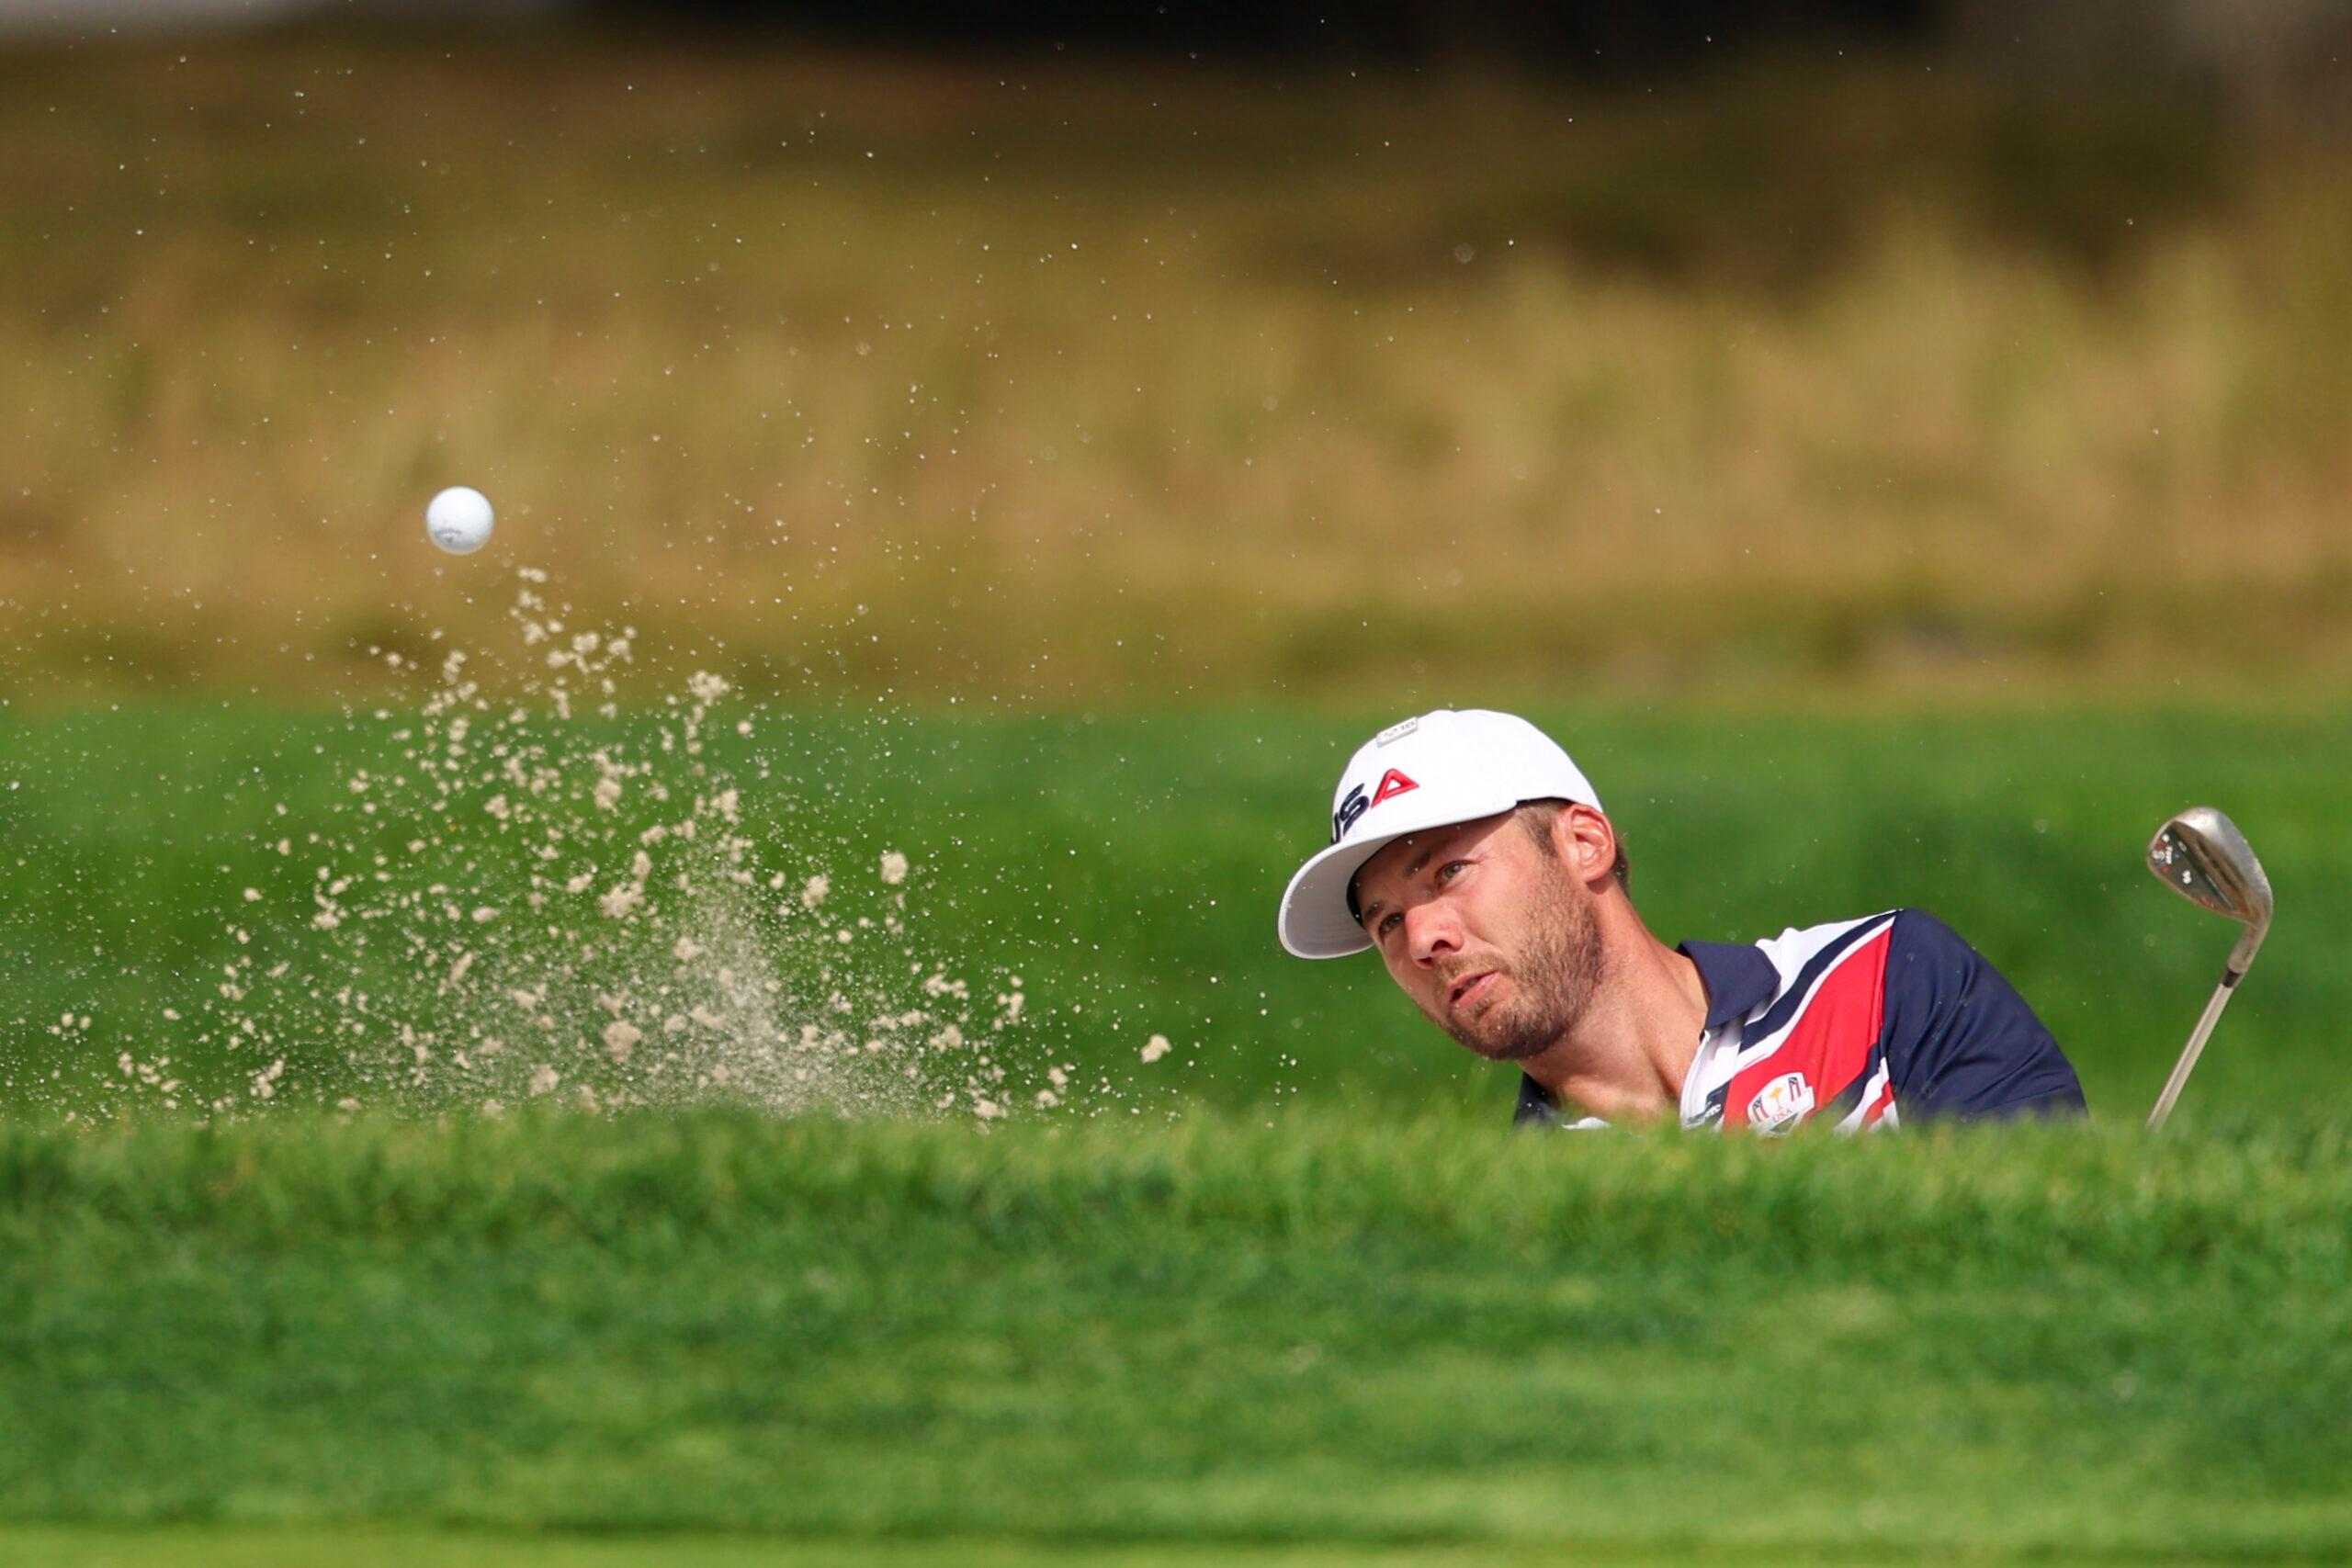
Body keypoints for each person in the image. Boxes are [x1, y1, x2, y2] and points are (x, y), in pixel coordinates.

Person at [1276, 709, 2086, 1131]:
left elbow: (2041, 1255)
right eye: (1386, 924)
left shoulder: (1884, 975)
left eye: (1449, 872)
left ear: (1584, 843)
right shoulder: (1525, 1210)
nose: (1424, 940)